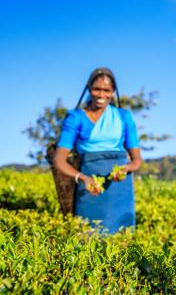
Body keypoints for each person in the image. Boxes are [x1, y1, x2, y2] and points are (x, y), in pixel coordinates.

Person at [53, 67, 142, 234]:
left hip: (120, 189)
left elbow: (137, 160)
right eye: (97, 89)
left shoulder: (124, 117)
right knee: (88, 238)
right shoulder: (76, 117)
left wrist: (126, 168)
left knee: (123, 239)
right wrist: (83, 178)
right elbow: (59, 160)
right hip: (89, 187)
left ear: (113, 92)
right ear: (89, 89)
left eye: (106, 90)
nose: (101, 95)